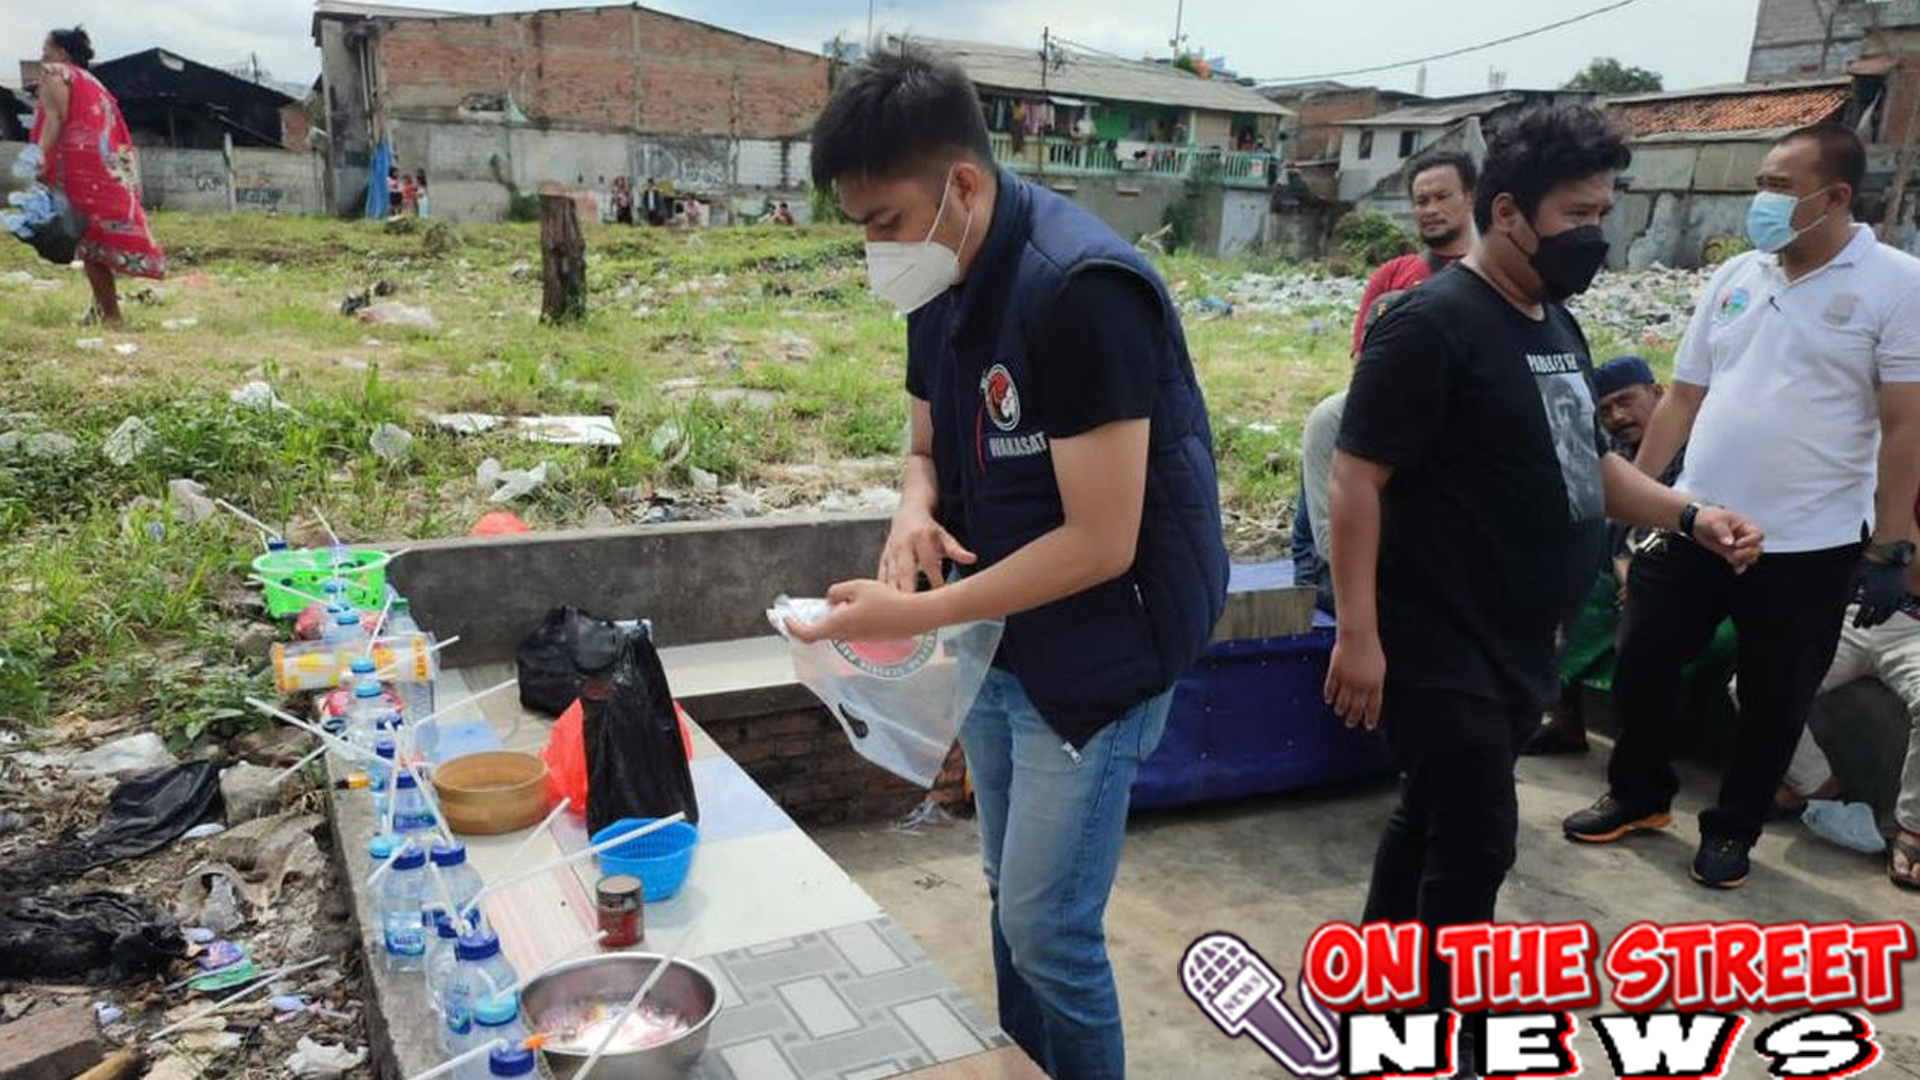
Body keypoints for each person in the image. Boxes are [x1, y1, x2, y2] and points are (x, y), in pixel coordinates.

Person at [794, 45, 1228, 1080]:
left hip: (1103, 649)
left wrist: (911, 621)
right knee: (1007, 893)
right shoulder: (941, 277)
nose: (875, 250)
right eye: (857, 229)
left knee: (1049, 929)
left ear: (964, 184)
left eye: (884, 223)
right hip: (1002, 631)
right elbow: (921, 447)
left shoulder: (1080, 291)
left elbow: (1101, 540)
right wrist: (913, 514)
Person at [1323, 105, 1762, 1027]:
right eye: (1577, 216)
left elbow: (1586, 461)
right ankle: (1453, 1036)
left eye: (1605, 213)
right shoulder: (1429, 324)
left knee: (1429, 815)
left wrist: (1689, 514)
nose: (1594, 235)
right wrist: (1357, 635)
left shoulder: (1552, 320)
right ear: (1511, 211)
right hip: (1439, 641)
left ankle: (1375, 996)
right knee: (1478, 846)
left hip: (1521, 641)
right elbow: (1355, 479)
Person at [1564, 123, 1920, 890]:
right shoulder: (1737, 278)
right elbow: (1685, 395)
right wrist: (1646, 498)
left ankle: (1732, 830)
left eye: (1779, 187)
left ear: (1834, 199)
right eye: (1759, 182)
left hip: (1807, 543)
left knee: (1772, 697)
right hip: (1696, 522)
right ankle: (1638, 793)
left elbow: (1904, 422)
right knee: (1644, 656)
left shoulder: (1897, 284)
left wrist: (1892, 544)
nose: (1761, 200)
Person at [1292, 151, 1479, 612]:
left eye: (1441, 197)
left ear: (1471, 198)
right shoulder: (1394, 276)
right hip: (1394, 414)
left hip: (1466, 420)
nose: (1430, 209)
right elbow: (1367, 371)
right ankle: (1333, 572)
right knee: (1328, 422)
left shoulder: (1493, 276)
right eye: (1421, 200)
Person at [1522, 356, 1738, 755]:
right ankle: (1566, 723)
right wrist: (1626, 567)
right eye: (1604, 410)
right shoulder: (1617, 457)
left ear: (1657, 393)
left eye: (1625, 401)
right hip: (1631, 568)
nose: (1617, 416)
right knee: (1565, 592)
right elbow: (1614, 528)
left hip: (1705, 571)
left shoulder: (1705, 446)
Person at [1776, 489, 1920, 890]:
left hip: (1915, 627)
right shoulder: (1878, 457)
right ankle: (1818, 785)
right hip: (1855, 612)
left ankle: (1914, 829)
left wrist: (1893, 519)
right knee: (1757, 682)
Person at [26, 27, 165, 326]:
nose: (42, 55)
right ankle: (100, 309)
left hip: (79, 169)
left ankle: (112, 316)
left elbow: (55, 118)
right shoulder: (92, 81)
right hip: (104, 167)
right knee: (94, 241)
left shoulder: (55, 72)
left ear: (62, 52)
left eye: (46, 48)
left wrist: (37, 157)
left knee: (88, 242)